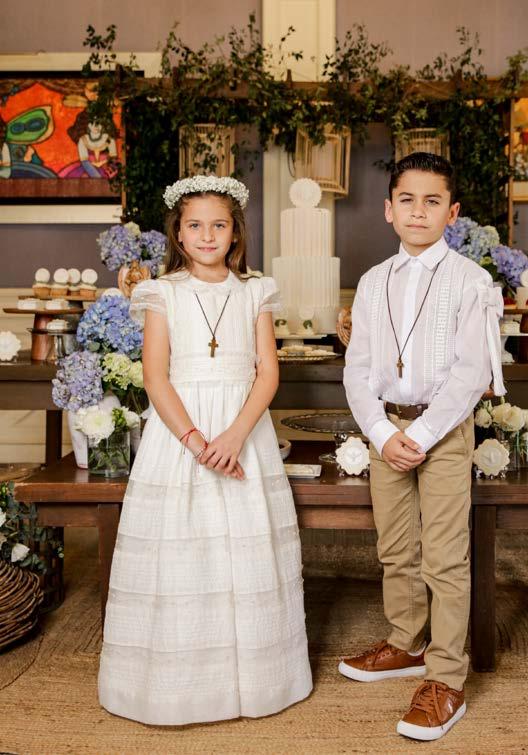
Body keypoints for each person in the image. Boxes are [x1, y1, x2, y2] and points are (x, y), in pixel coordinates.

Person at [98, 175, 313, 725]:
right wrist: (196, 441)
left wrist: (236, 435)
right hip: (180, 435)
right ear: (179, 232)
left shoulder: (255, 291)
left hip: (244, 429)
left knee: (246, 550)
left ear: (235, 232)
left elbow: (268, 373)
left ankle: (259, 680)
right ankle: (179, 687)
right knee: (183, 551)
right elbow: (155, 377)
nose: (207, 235)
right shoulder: (162, 293)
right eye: (195, 226)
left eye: (218, 225)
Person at [341, 152, 505, 741]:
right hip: (387, 431)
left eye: (432, 201)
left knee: (443, 556)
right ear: (389, 210)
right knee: (395, 548)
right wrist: (384, 433)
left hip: (444, 432)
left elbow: (471, 372)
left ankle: (445, 677)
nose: (418, 211)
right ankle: (407, 642)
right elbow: (357, 368)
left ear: (451, 213)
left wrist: (423, 433)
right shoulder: (372, 281)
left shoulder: (470, 281)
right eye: (406, 200)